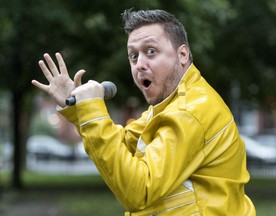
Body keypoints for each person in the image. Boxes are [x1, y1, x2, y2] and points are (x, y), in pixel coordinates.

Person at [32, 9, 256, 216]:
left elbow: (140, 191)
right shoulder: (168, 106)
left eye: (151, 51)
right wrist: (80, 109)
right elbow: (123, 143)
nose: (139, 64)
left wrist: (92, 112)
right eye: (133, 56)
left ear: (183, 55)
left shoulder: (190, 111)